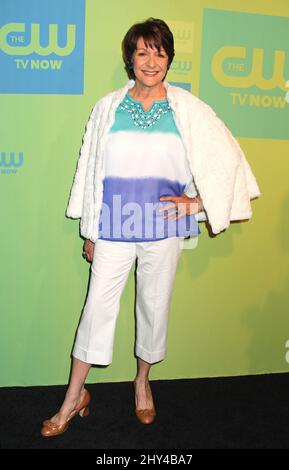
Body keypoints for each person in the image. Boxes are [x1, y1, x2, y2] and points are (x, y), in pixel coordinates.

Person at [41, 18, 260, 437]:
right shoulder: (108, 107)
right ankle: (74, 397)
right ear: (129, 58)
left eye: (159, 52)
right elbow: (91, 171)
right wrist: (90, 228)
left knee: (154, 307)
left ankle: (142, 383)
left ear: (169, 59)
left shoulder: (188, 109)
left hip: (164, 226)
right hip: (112, 225)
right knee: (95, 309)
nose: (151, 61)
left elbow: (225, 163)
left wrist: (198, 203)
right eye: (142, 52)